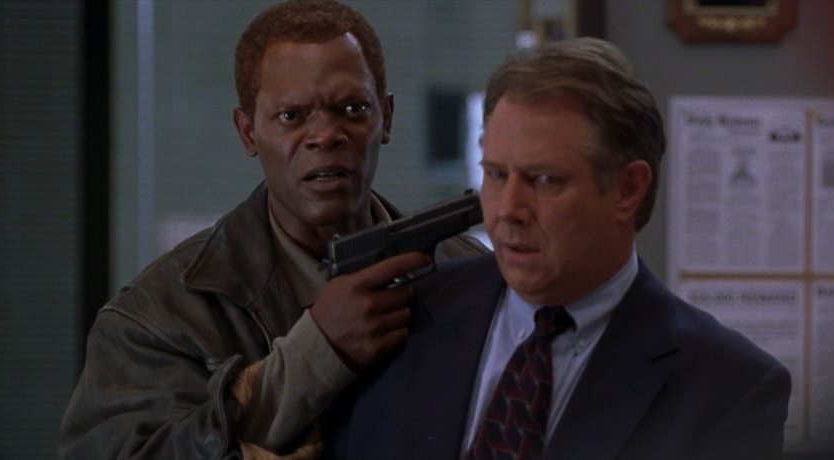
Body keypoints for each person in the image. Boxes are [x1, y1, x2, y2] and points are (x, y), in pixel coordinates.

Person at [323, 37, 790, 459]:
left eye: (544, 180)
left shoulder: (727, 390)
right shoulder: (398, 318)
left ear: (628, 189)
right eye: (496, 175)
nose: (507, 210)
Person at [58, 0, 486, 458]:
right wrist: (318, 352)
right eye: (291, 116)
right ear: (247, 132)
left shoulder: (468, 276)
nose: (326, 135)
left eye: (352, 108)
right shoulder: (157, 318)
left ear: (387, 117)